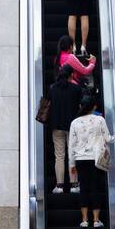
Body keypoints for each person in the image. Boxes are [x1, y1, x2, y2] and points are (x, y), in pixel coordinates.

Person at [67, 94, 115, 228]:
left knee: (83, 188)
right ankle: (96, 220)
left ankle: (84, 220)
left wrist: (71, 164)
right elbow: (108, 138)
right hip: (96, 159)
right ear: (94, 107)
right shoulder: (99, 120)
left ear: (81, 106)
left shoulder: (75, 122)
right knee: (95, 188)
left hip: (80, 159)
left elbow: (71, 145)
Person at [48, 64, 82, 195]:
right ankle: (74, 185)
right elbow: (81, 105)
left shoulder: (52, 88)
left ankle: (60, 186)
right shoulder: (76, 89)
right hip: (72, 126)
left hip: (56, 126)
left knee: (59, 156)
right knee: (72, 155)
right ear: (71, 75)